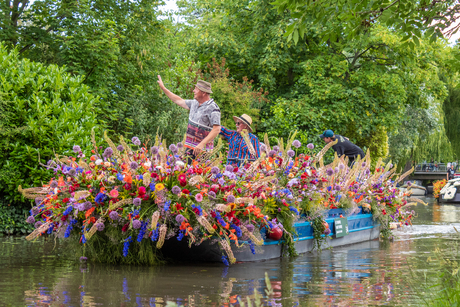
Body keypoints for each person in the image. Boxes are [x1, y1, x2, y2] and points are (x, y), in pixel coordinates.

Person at [157, 76, 221, 160]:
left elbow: (217, 129)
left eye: (196, 89)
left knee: (198, 172)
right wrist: (163, 88)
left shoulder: (213, 108)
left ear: (203, 92)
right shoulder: (194, 103)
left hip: (202, 151)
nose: (193, 91)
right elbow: (178, 100)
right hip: (189, 148)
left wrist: (202, 144)